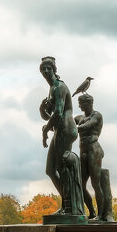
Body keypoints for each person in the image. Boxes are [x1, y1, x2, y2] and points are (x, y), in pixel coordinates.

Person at [39, 57, 79, 214]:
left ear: (54, 69)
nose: (46, 71)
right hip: (59, 129)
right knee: (50, 170)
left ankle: (69, 207)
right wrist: (42, 110)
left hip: (66, 129)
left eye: (49, 68)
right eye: (43, 69)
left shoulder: (59, 87)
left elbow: (59, 113)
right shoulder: (51, 90)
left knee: (62, 169)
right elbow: (50, 116)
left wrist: (44, 131)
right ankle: (67, 204)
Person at [74, 93, 112, 221]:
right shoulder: (79, 118)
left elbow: (88, 125)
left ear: (88, 103)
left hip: (93, 150)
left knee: (95, 183)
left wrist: (75, 128)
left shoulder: (96, 115)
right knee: (80, 185)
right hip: (83, 151)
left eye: (81, 103)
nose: (79, 105)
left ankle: (101, 215)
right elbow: (65, 121)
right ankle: (91, 212)